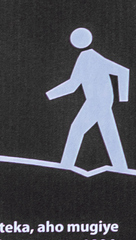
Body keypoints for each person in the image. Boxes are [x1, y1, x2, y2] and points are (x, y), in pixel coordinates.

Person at [46, 27, 130, 172]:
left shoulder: (88, 57)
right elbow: (74, 85)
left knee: (76, 129)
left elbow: (73, 85)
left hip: (96, 102)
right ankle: (121, 167)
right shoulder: (90, 56)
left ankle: (65, 165)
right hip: (102, 101)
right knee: (109, 133)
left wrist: (49, 95)